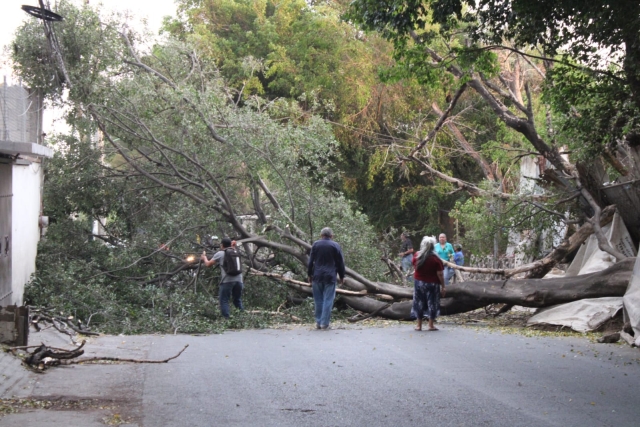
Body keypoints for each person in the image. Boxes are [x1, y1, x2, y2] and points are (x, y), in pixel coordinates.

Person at [307, 227, 346, 330]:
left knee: (318, 300)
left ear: (321, 235)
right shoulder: (335, 245)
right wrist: (342, 276)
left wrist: (309, 275)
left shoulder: (315, 244)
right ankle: (324, 324)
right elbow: (340, 263)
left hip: (317, 276)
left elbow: (310, 261)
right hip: (330, 276)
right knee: (328, 299)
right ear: (331, 236)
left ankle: (318, 322)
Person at [201, 237, 244, 318]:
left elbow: (208, 264)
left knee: (224, 300)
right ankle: (242, 318)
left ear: (222, 245)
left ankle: (226, 320)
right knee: (237, 300)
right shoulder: (236, 251)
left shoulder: (220, 253)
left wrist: (204, 258)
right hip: (239, 280)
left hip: (227, 281)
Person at [412, 236, 446, 331]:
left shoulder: (417, 256)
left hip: (419, 283)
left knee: (419, 302)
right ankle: (430, 325)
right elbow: (440, 274)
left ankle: (419, 325)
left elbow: (414, 266)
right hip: (432, 284)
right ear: (433, 246)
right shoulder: (435, 258)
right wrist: (443, 286)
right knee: (433, 303)